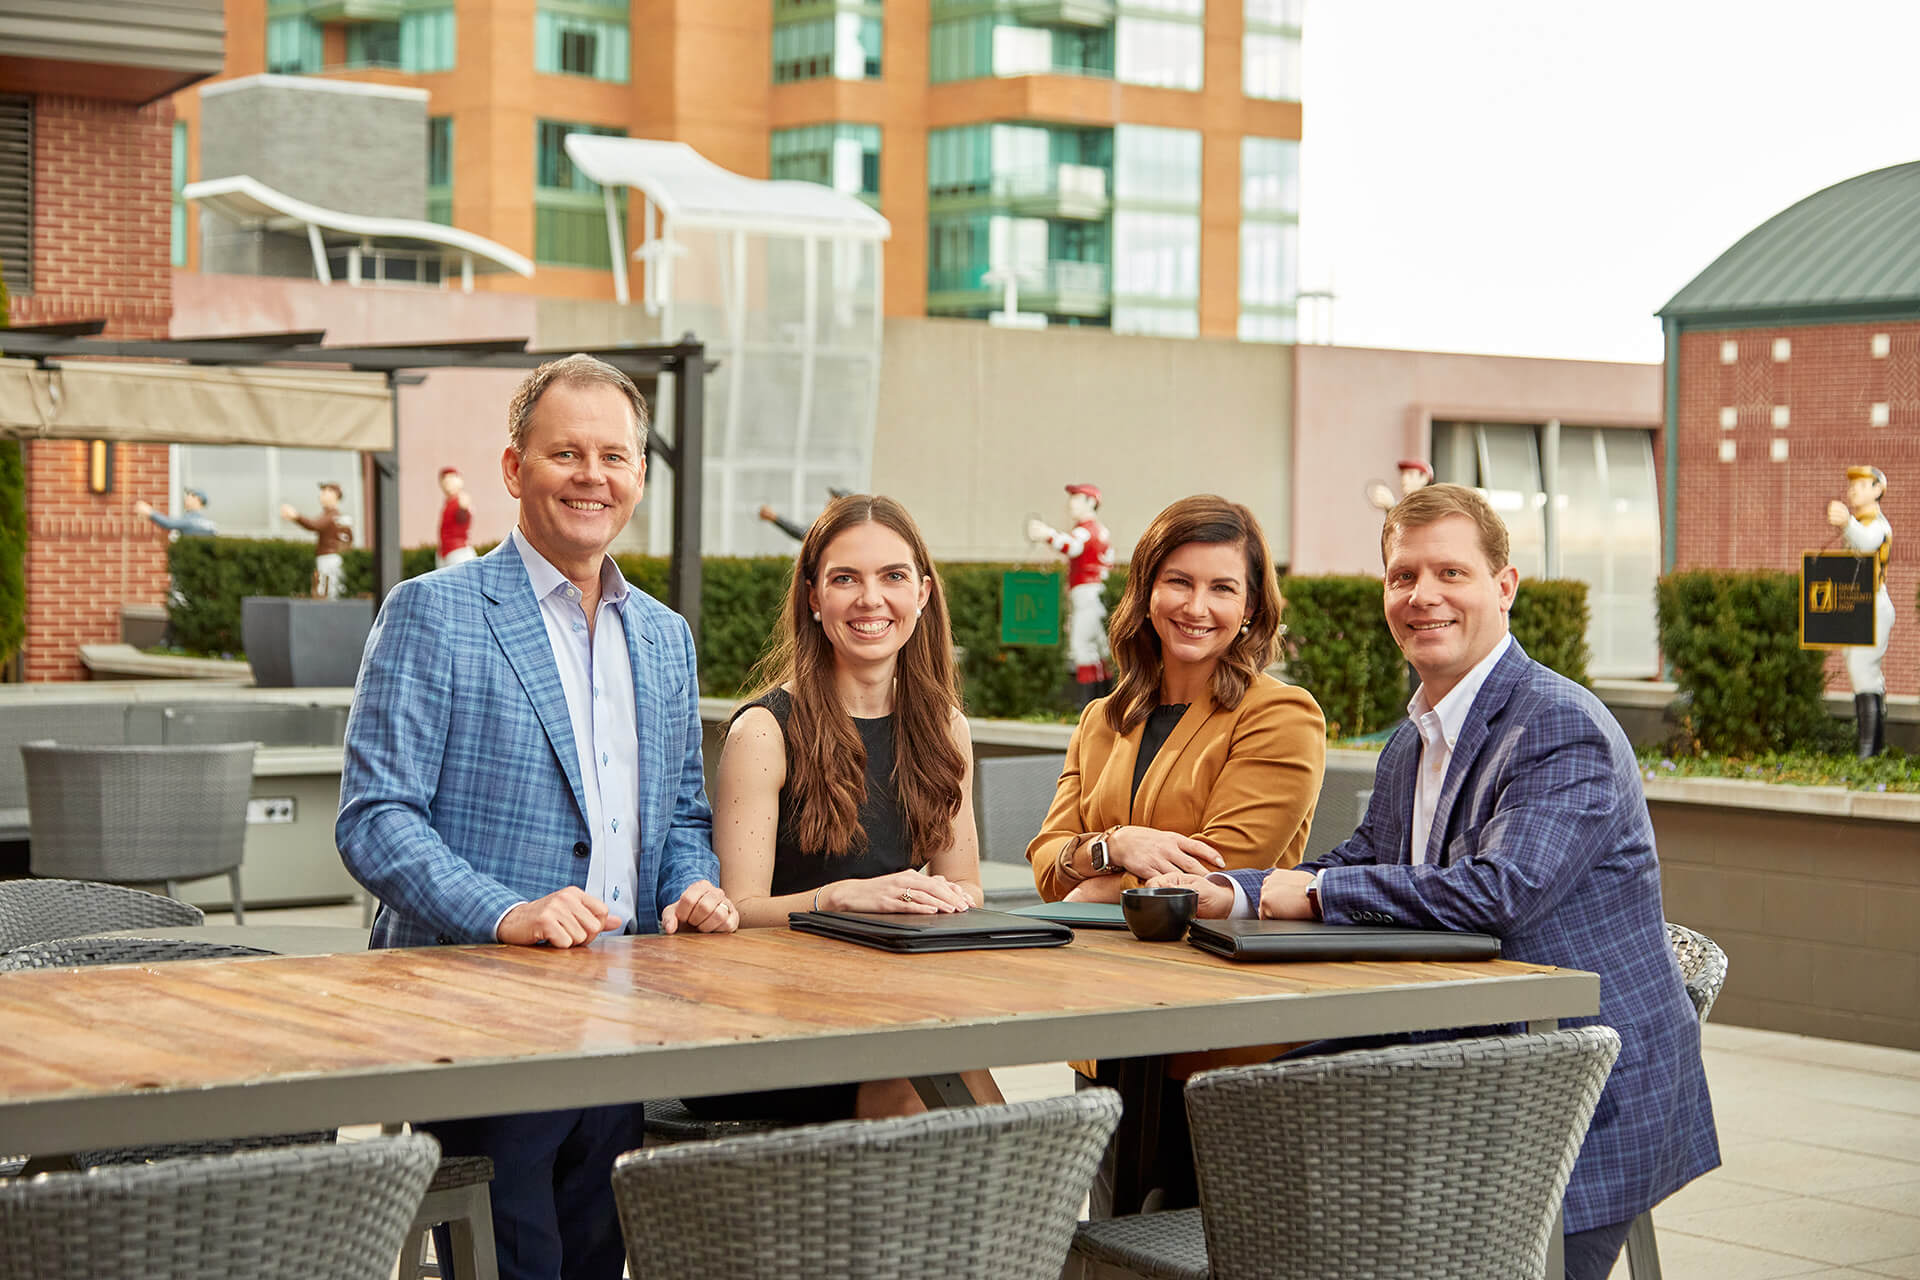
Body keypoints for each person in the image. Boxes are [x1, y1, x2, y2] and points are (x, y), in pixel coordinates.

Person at [1163, 483, 1718, 1279]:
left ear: (1505, 586)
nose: (1423, 596)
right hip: (1461, 1054)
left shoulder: (1558, 725)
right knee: (1239, 1102)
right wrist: (1242, 891)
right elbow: (1363, 860)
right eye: (1402, 577)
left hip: (1568, 1092)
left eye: (1450, 574)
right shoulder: (1418, 734)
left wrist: (1317, 896)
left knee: (1263, 1121)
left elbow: (1499, 892)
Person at [337, 353, 739, 1280]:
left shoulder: (664, 636)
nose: (592, 476)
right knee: (511, 1262)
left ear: (640, 475)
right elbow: (375, 817)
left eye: (615, 456)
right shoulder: (431, 613)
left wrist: (692, 889)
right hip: (478, 1014)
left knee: (599, 1257)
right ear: (515, 470)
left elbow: (679, 813)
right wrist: (505, 913)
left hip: (623, 1010)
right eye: (566, 453)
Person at [1027, 493, 1326, 1214]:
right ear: (1147, 591)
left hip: (1214, 1047)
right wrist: (1116, 846)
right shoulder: (1104, 717)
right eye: (1180, 582)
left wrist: (1088, 868)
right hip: (1104, 1034)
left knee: (1185, 1247)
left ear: (1252, 607)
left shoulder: (1280, 716)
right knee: (1108, 1245)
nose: (1198, 606)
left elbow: (1216, 881)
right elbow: (1045, 866)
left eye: (1224, 587)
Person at [695, 492, 1003, 1121]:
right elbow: (737, 915)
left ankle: (1013, 1221)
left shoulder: (945, 728)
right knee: (929, 1081)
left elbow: (965, 884)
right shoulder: (764, 732)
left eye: (892, 576)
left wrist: (932, 900)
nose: (870, 600)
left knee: (956, 1065)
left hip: (887, 1009)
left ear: (922, 592)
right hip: (770, 1024)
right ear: (813, 596)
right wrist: (837, 899)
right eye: (845, 579)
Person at [1028, 482, 1115, 708]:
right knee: (1098, 648)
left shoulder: (1087, 530)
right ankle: (1103, 699)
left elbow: (1071, 546)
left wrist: (1047, 534)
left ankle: (1090, 702)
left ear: (1091, 502)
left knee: (1082, 646)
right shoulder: (1100, 530)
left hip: (1087, 593)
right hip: (1095, 593)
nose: (1071, 504)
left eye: (1077, 498)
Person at [1827, 464, 1892, 757]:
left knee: (1862, 671)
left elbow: (1867, 543)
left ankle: (1868, 754)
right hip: (1859, 603)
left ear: (1878, 490)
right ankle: (1871, 750)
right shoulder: (1862, 522)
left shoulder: (1876, 524)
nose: (1854, 490)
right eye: (1852, 485)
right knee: (1863, 675)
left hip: (1874, 604)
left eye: (1863, 485)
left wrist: (1846, 524)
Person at [280, 482, 353, 599]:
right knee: (328, 592)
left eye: (326, 491)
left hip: (329, 559)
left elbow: (315, 525)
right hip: (331, 559)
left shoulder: (333, 515)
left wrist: (296, 516)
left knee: (327, 593)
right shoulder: (333, 515)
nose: (321, 495)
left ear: (335, 495)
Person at [133, 487, 216, 537]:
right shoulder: (208, 523)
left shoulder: (192, 520)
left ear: (198, 500)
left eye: (191, 495)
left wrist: (149, 512)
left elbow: (168, 523)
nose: (187, 497)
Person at [437, 466, 475, 569]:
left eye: (451, 479)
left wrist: (463, 508)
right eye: (444, 479)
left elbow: (463, 517)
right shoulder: (447, 502)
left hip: (458, 552)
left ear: (459, 481)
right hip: (445, 553)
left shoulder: (461, 499)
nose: (447, 482)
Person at [1366, 457, 1434, 511]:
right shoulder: (1406, 504)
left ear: (1424, 478)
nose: (1404, 479)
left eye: (1410, 474)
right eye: (1402, 474)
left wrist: (1392, 506)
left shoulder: (1427, 505)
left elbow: (1411, 524)